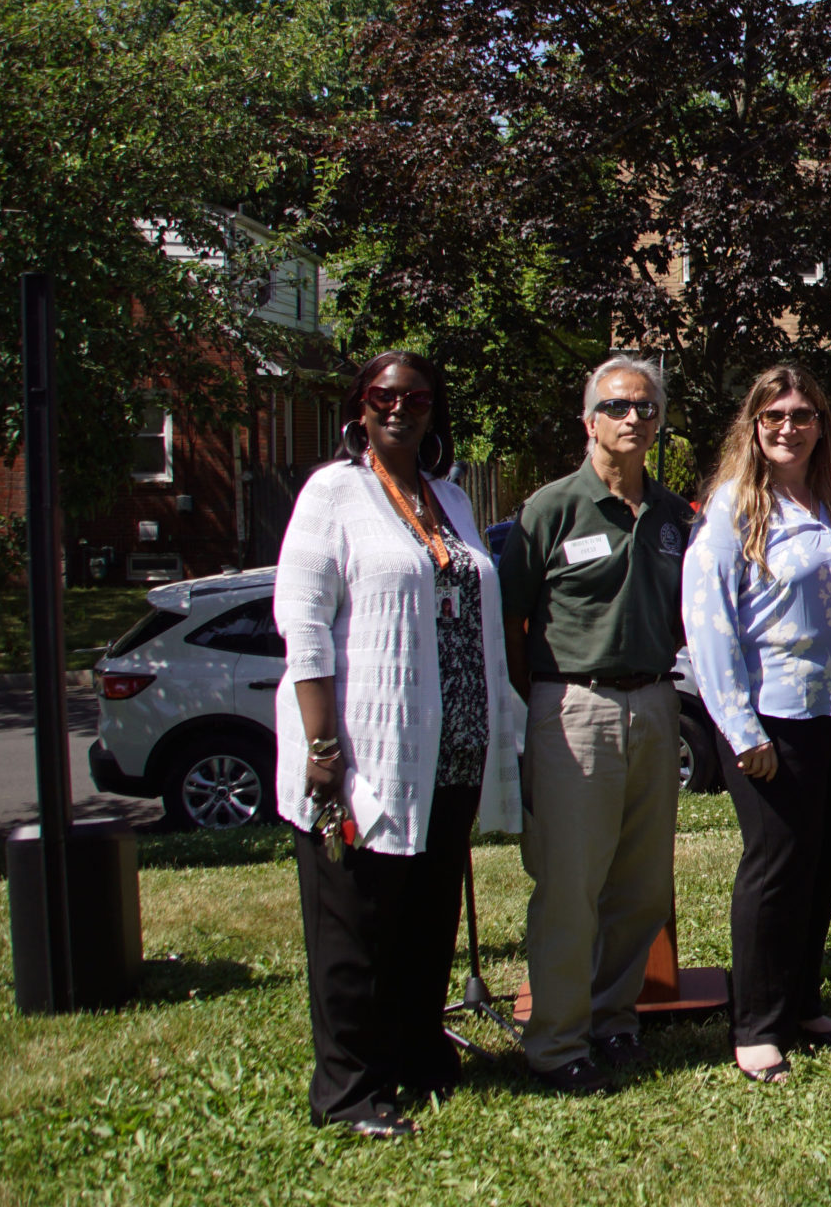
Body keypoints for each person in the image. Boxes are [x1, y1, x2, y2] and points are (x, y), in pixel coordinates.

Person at [276, 352, 524, 1138]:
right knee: (356, 922)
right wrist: (323, 746)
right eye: (384, 395)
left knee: (426, 914)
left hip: (450, 744)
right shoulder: (334, 493)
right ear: (360, 406)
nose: (399, 408)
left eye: (417, 397)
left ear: (433, 410)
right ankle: (348, 1089)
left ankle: (418, 1053)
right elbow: (303, 622)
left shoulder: (450, 497)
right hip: (364, 748)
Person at [497, 354, 696, 1095]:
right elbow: (510, 619)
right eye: (617, 406)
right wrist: (543, 700)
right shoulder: (550, 509)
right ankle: (557, 1042)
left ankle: (614, 1020)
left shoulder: (675, 517)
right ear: (589, 421)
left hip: (657, 703)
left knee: (642, 887)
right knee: (570, 886)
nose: (633, 417)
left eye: (646, 407)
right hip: (572, 708)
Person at [682, 364, 831, 1084]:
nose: (789, 428)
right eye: (774, 416)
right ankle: (757, 1025)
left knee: (824, 861)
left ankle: (801, 1000)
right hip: (775, 715)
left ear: (821, 425)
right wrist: (741, 729)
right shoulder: (733, 508)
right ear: (754, 426)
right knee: (776, 866)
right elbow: (708, 622)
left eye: (802, 415)